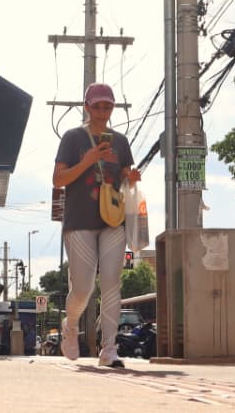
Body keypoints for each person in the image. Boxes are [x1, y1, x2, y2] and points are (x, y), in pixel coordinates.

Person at [53, 82, 141, 367]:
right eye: (97, 106)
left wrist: (132, 178)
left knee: (112, 284)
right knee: (83, 289)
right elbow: (58, 179)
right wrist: (88, 160)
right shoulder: (72, 138)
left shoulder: (120, 141)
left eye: (108, 106)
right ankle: (72, 325)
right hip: (79, 221)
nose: (103, 111)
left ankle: (109, 350)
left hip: (112, 220)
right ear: (86, 107)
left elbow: (124, 178)